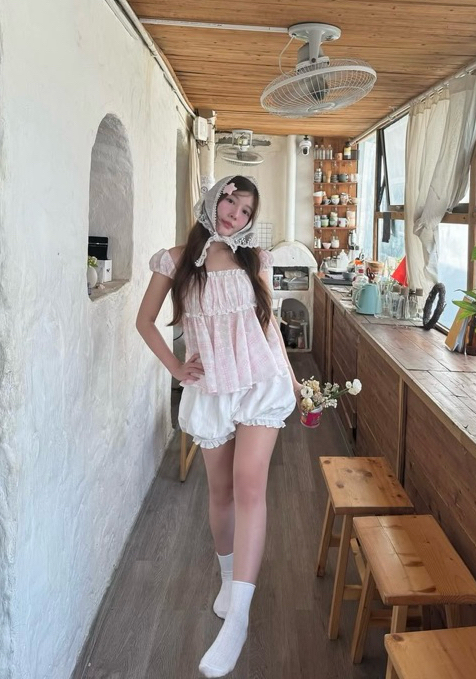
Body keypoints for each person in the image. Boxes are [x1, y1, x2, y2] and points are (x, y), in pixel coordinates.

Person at [136, 174, 301, 677]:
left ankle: (239, 618)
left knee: (250, 484)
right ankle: (228, 579)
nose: (235, 214)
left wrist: (292, 377)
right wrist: (176, 367)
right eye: (230, 201)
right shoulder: (175, 260)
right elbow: (144, 321)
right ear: (213, 199)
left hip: (258, 381)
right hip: (211, 387)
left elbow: (269, 325)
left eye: (246, 210)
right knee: (221, 492)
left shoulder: (256, 259)